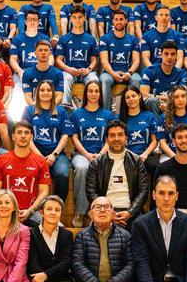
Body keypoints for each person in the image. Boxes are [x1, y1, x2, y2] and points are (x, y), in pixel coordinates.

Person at [84, 120, 150, 229]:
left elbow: (143, 191)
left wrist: (130, 212)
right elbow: (91, 192)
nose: (116, 139)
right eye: (112, 135)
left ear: (126, 138)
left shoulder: (137, 162)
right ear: (106, 140)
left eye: (120, 135)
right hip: (104, 212)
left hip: (131, 212)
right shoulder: (96, 163)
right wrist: (107, 212)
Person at [69, 81, 111, 225]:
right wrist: (87, 154)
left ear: (100, 94)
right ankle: (80, 213)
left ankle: (101, 213)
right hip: (81, 154)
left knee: (106, 169)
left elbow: (109, 139)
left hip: (103, 153)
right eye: (90, 91)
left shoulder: (108, 115)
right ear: (86, 93)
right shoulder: (76, 114)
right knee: (82, 168)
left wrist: (100, 154)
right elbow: (74, 138)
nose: (93, 94)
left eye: (96, 91)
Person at [23, 82, 73, 201]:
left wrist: (54, 155)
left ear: (53, 93)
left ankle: (57, 207)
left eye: (49, 90)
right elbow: (26, 135)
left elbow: (65, 136)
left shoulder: (61, 112)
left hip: (57, 154)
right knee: (28, 173)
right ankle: (30, 208)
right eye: (42, 90)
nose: (45, 93)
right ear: (37, 93)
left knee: (63, 175)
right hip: (34, 153)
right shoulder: (29, 110)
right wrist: (39, 156)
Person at [98, 10, 142, 112]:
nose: (119, 22)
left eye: (121, 19)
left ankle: (134, 112)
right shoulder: (105, 38)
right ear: (112, 21)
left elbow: (136, 60)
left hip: (128, 71)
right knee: (105, 80)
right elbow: (104, 61)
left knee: (137, 79)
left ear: (126, 21)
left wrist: (129, 72)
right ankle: (106, 113)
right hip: (109, 72)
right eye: (116, 19)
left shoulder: (133, 39)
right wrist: (113, 73)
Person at [55, 7, 100, 108]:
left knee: (94, 80)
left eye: (80, 17)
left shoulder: (90, 39)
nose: (77, 20)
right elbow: (58, 60)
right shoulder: (64, 38)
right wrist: (68, 69)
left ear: (84, 18)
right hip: (69, 70)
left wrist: (89, 69)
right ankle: (65, 108)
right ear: (70, 18)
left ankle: (93, 107)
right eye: (74, 17)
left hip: (86, 71)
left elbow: (94, 60)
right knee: (64, 78)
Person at [121, 89, 163, 178]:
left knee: (156, 166)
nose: (131, 99)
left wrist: (145, 154)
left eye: (133, 96)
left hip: (146, 154)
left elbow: (154, 141)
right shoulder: (119, 118)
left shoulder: (149, 116)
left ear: (139, 96)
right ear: (124, 100)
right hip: (126, 155)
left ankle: (154, 192)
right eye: (127, 97)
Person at [20, 39, 65, 108]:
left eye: (46, 50)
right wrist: (37, 108)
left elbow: (59, 96)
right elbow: (28, 97)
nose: (43, 52)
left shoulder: (58, 73)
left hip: (52, 108)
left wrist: (48, 108)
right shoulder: (27, 73)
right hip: (34, 107)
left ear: (50, 53)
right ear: (35, 53)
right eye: (40, 50)